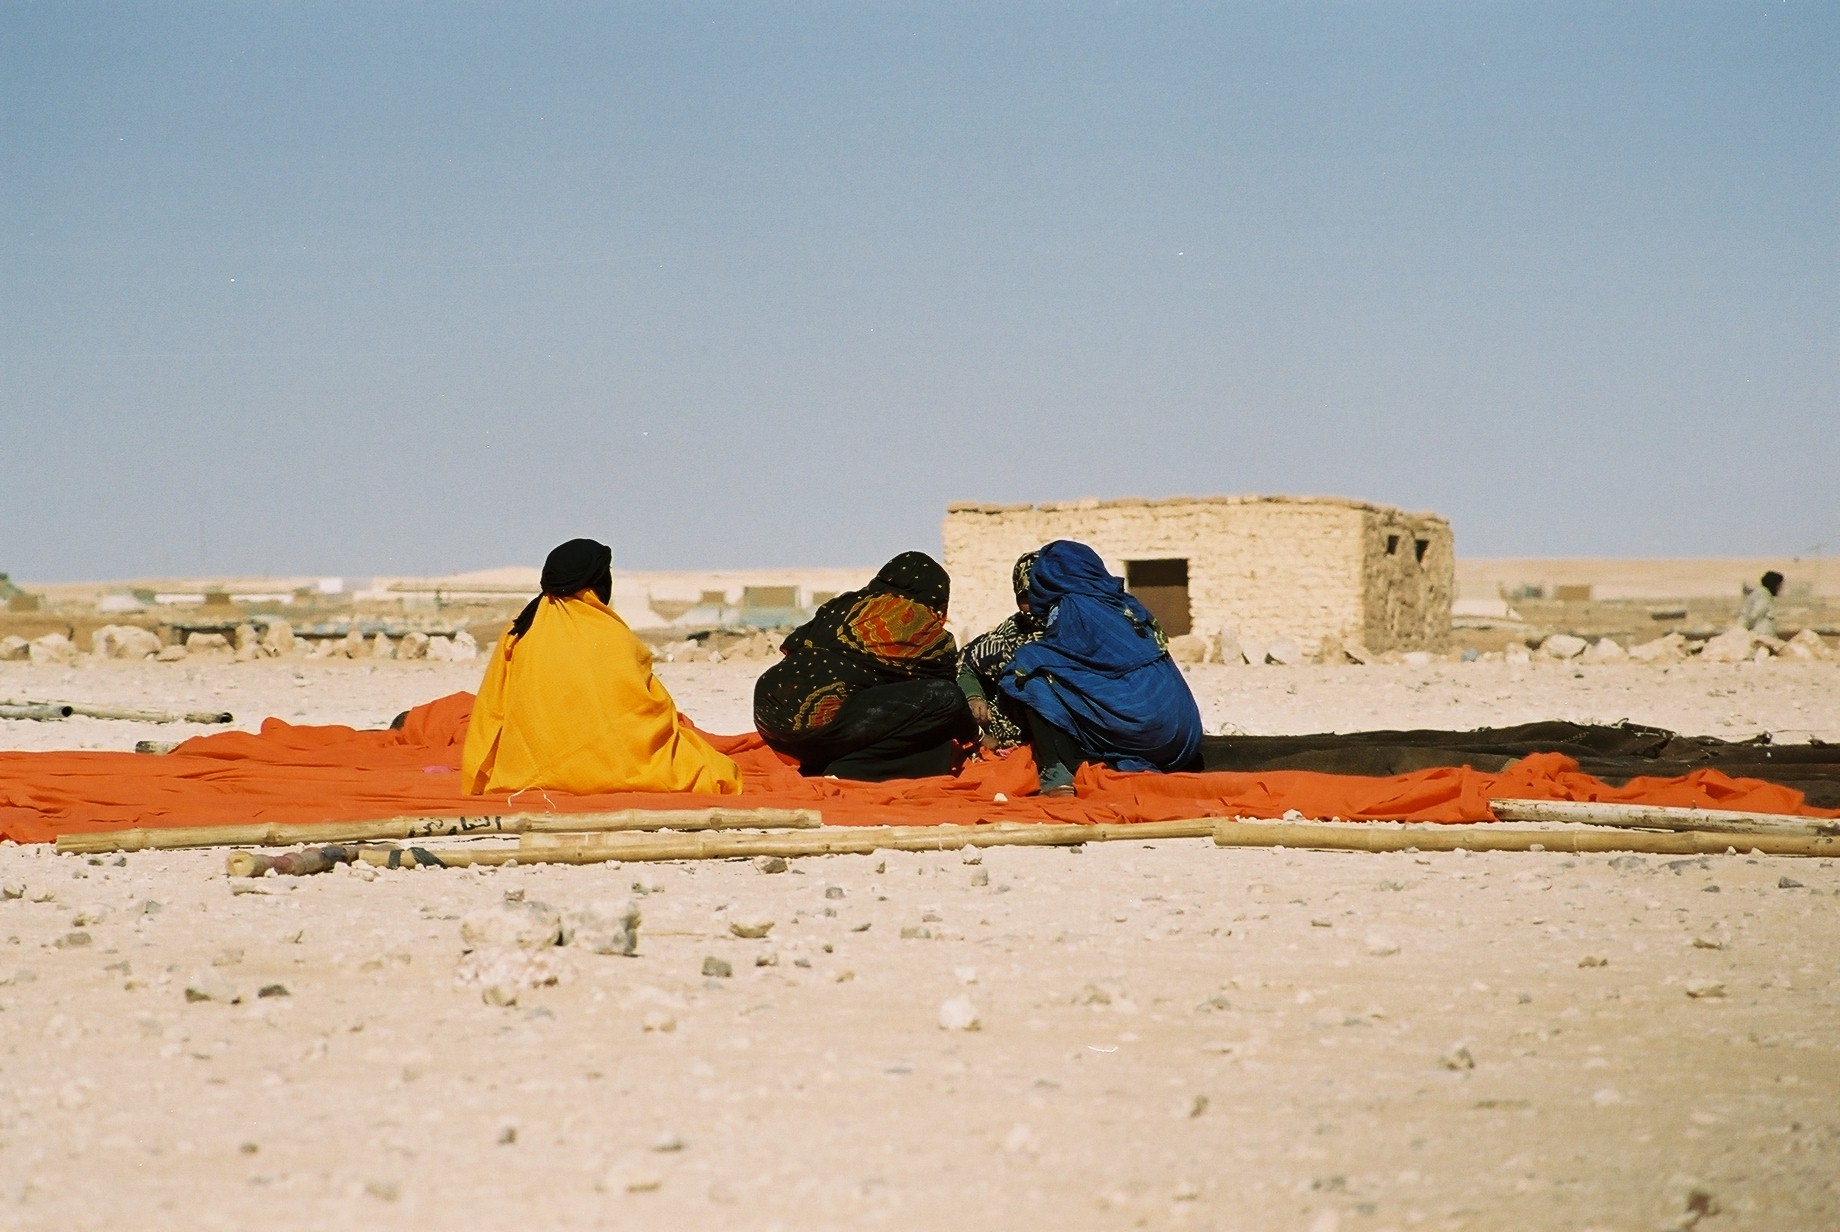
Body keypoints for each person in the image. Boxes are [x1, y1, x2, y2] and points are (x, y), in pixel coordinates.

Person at [462, 538, 742, 796]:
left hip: (525, 772)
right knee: (715, 771)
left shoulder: (519, 629)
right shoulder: (612, 634)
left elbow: (493, 707)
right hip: (616, 768)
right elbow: (647, 711)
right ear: (597, 580)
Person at [995, 540, 1203, 796]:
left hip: (1148, 736)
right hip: (1185, 736)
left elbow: (1059, 660)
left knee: (1024, 672)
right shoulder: (1124, 602)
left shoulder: (1071, 606)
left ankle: (1057, 771)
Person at [753, 551, 974, 781]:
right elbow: (947, 696)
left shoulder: (845, 603)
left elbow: (795, 646)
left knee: (870, 699)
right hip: (819, 719)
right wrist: (975, 734)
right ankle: (850, 770)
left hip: (769, 713)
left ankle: (821, 765)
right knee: (945, 698)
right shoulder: (915, 619)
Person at [957, 550, 1044, 752]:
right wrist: (974, 697)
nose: (1034, 606)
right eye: (1025, 597)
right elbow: (966, 664)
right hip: (1011, 746)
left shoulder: (1081, 630)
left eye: (1041, 595)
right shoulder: (1006, 638)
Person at [1736, 571, 1783, 639]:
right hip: (1761, 637)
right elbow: (1754, 615)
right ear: (1774, 584)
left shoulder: (1761, 593)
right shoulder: (1764, 596)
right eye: (1779, 585)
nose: (1780, 588)